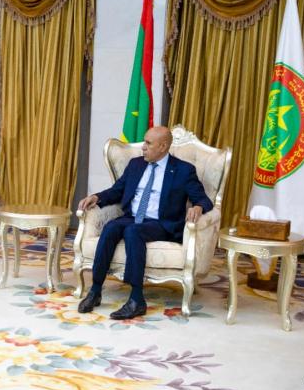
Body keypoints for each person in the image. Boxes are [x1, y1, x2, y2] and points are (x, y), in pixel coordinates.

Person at [77, 126, 213, 319]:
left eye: (148, 143)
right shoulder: (136, 164)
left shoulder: (183, 170)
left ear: (163, 146)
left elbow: (204, 199)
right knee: (111, 228)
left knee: (133, 232)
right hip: (133, 217)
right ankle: (95, 290)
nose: (143, 147)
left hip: (161, 223)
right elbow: (117, 190)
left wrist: (198, 207)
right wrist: (97, 197)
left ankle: (136, 299)